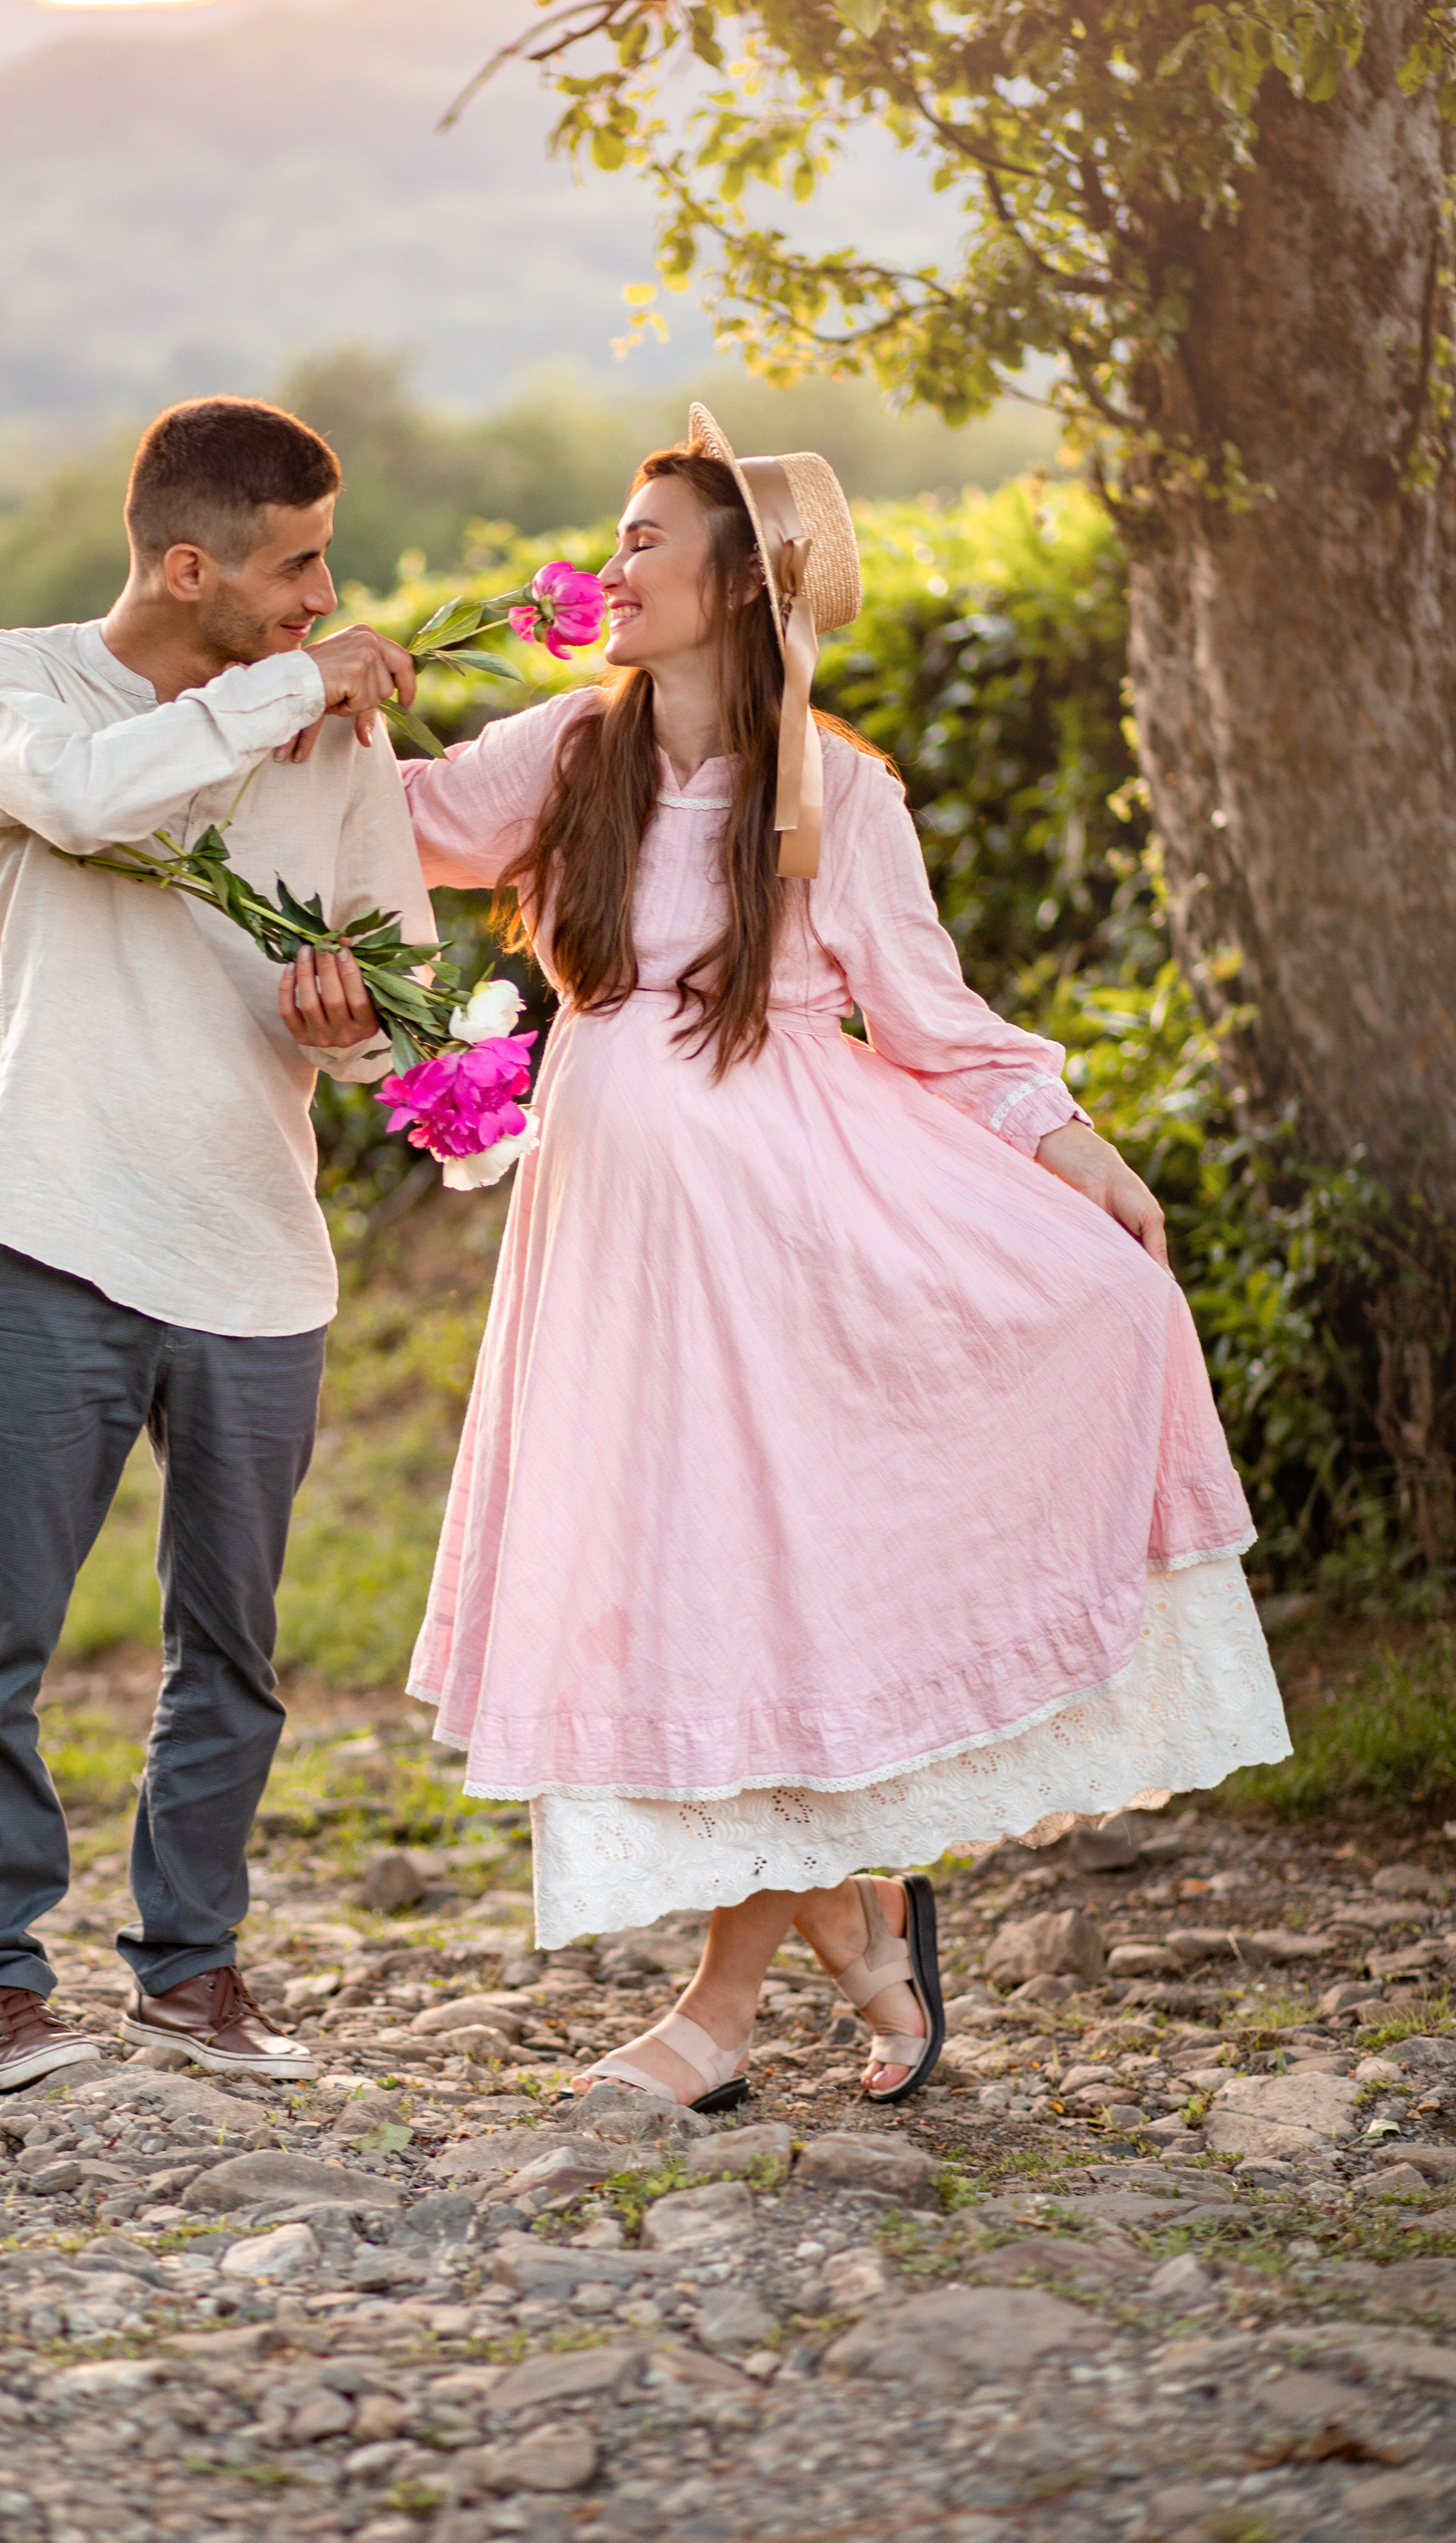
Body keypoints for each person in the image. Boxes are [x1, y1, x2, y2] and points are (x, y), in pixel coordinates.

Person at [397, 407, 1289, 2111]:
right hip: (617, 1258)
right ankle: (857, 1949)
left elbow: (929, 1013)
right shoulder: (568, 755)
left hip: (782, 1240)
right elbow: (415, 823)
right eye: (624, 531)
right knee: (683, 1594)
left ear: (743, 584)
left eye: (651, 537)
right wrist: (292, 704)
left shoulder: (835, 789)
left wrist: (1064, 1143)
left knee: (741, 1592)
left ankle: (728, 2015)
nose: (619, 561)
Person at [0, 395, 429, 2092]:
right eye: (293, 570)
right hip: (55, 1235)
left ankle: (189, 1973)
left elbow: (394, 1015)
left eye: (325, 568)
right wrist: (292, 685)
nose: (321, 598)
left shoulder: (335, 747)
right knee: (0, 1646)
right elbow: (83, 804)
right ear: (189, 561)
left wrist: (346, 1023)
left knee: (234, 1656)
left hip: (254, 1258)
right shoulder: (11, 683)